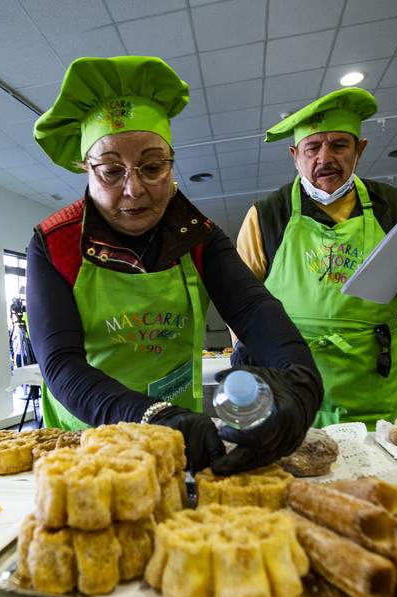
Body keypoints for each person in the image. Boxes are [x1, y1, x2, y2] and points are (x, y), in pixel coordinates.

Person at [27, 56, 323, 475]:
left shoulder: (196, 235)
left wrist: (300, 378)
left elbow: (255, 309)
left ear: (171, 162)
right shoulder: (54, 243)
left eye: (152, 167)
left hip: (185, 436)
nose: (134, 189)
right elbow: (61, 365)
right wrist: (153, 418)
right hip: (88, 439)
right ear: (85, 169)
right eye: (111, 171)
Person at [235, 88, 397, 429]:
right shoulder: (266, 215)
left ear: (359, 151)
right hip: (291, 373)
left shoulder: (395, 208)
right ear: (295, 155)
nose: (325, 158)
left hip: (373, 375)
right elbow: (240, 296)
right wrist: (246, 345)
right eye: (313, 148)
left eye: (339, 145)